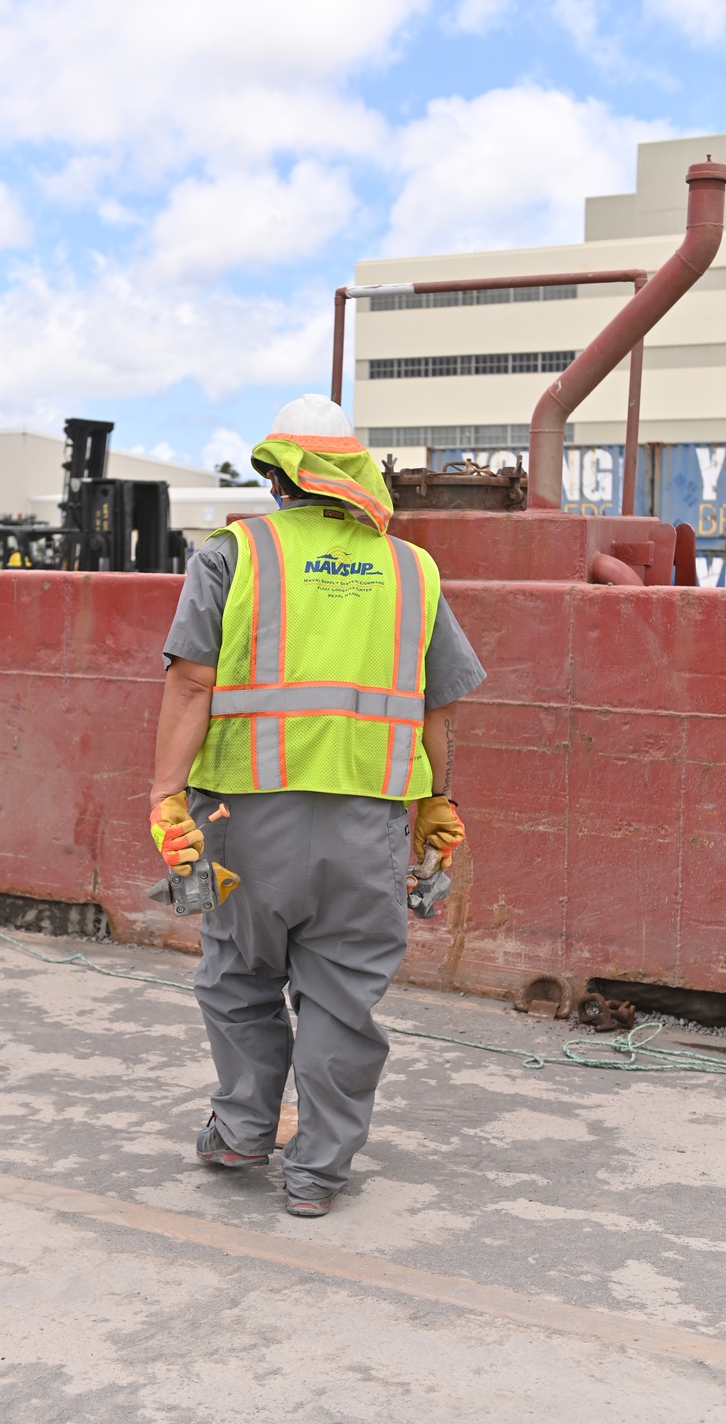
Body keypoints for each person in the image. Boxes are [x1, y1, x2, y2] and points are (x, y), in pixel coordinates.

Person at [149, 394, 485, 1217]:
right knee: (341, 993)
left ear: (279, 475)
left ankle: (241, 1129)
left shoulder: (234, 553)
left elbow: (192, 680)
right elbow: (438, 708)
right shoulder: (411, 569)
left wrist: (164, 794)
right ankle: (317, 1171)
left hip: (243, 818)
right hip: (368, 824)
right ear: (357, 473)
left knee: (238, 972)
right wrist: (436, 804)